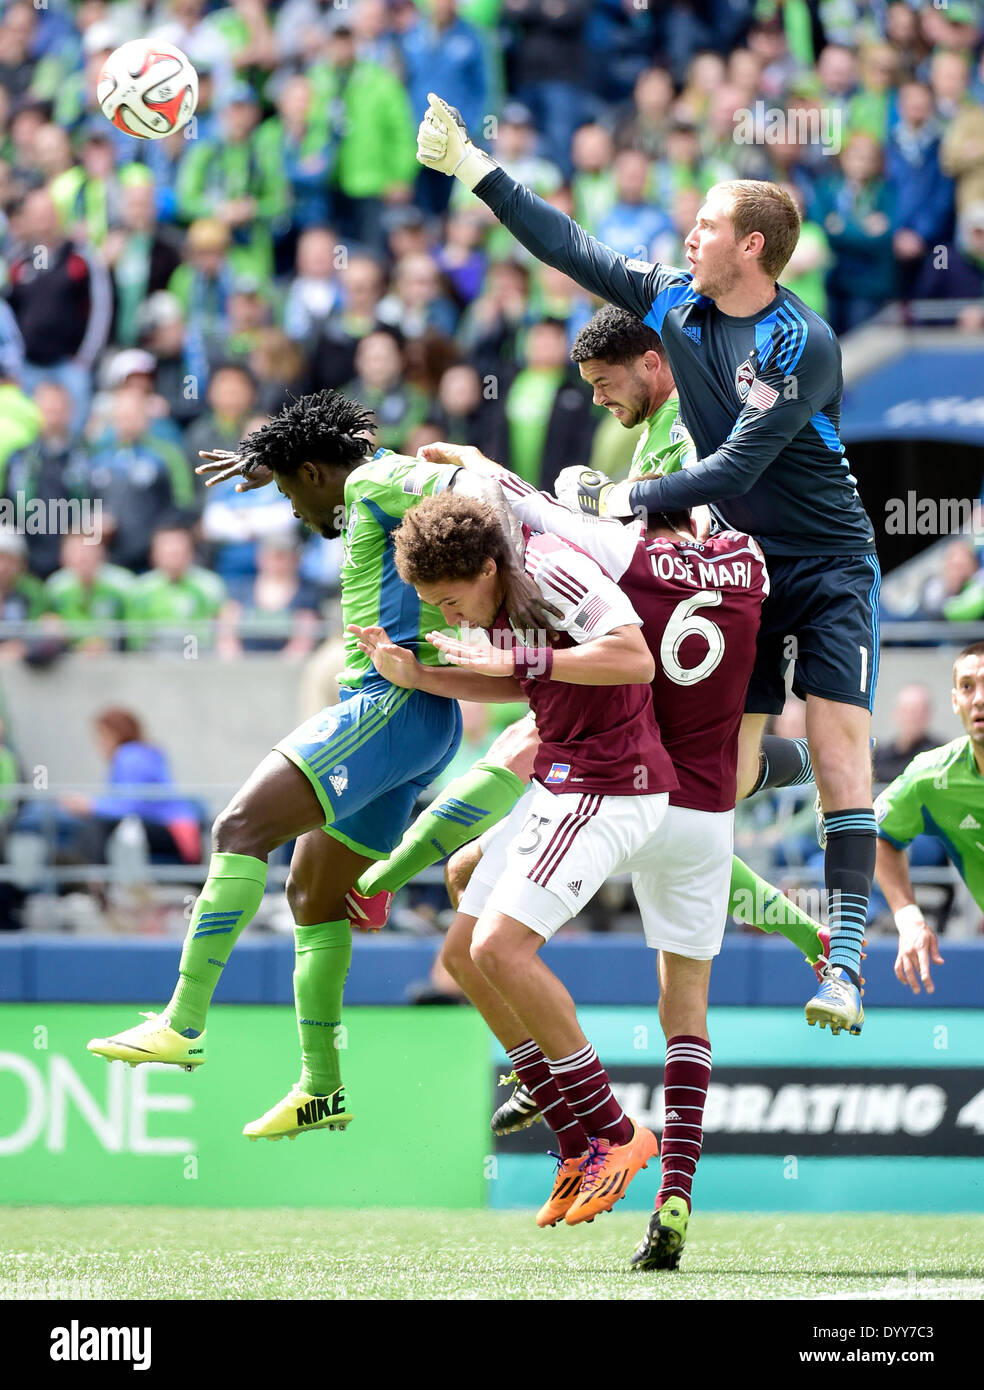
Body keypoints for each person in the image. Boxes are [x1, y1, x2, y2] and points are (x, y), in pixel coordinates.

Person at [416, 97, 878, 1037]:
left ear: (750, 247)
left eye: (706, 223)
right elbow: (572, 250)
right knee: (723, 764)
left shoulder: (802, 343)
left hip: (827, 562)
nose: (689, 232)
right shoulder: (674, 300)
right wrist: (474, 168)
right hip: (741, 567)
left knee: (840, 748)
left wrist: (613, 500)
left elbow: (740, 466)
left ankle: (846, 962)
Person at [86, 389, 560, 1142]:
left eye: (287, 490)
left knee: (239, 827)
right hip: (420, 717)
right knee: (312, 894)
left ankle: (183, 1021)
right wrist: (268, 459)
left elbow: (472, 490)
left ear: (314, 472)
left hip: (389, 707)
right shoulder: (368, 489)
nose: (296, 514)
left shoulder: (374, 481)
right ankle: (320, 1087)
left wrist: (474, 479)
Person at [876, 643, 984, 997]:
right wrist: (909, 918)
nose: (979, 699)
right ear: (955, 701)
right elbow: (879, 836)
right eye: (968, 686)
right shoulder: (932, 777)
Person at [60, 708, 203, 867]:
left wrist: (89, 805)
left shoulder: (130, 755)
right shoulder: (141, 753)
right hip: (170, 827)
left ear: (116, 734)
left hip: (170, 830)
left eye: (102, 736)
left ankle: (90, 878)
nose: (99, 744)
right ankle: (85, 874)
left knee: (97, 827)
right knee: (97, 827)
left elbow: (130, 806)